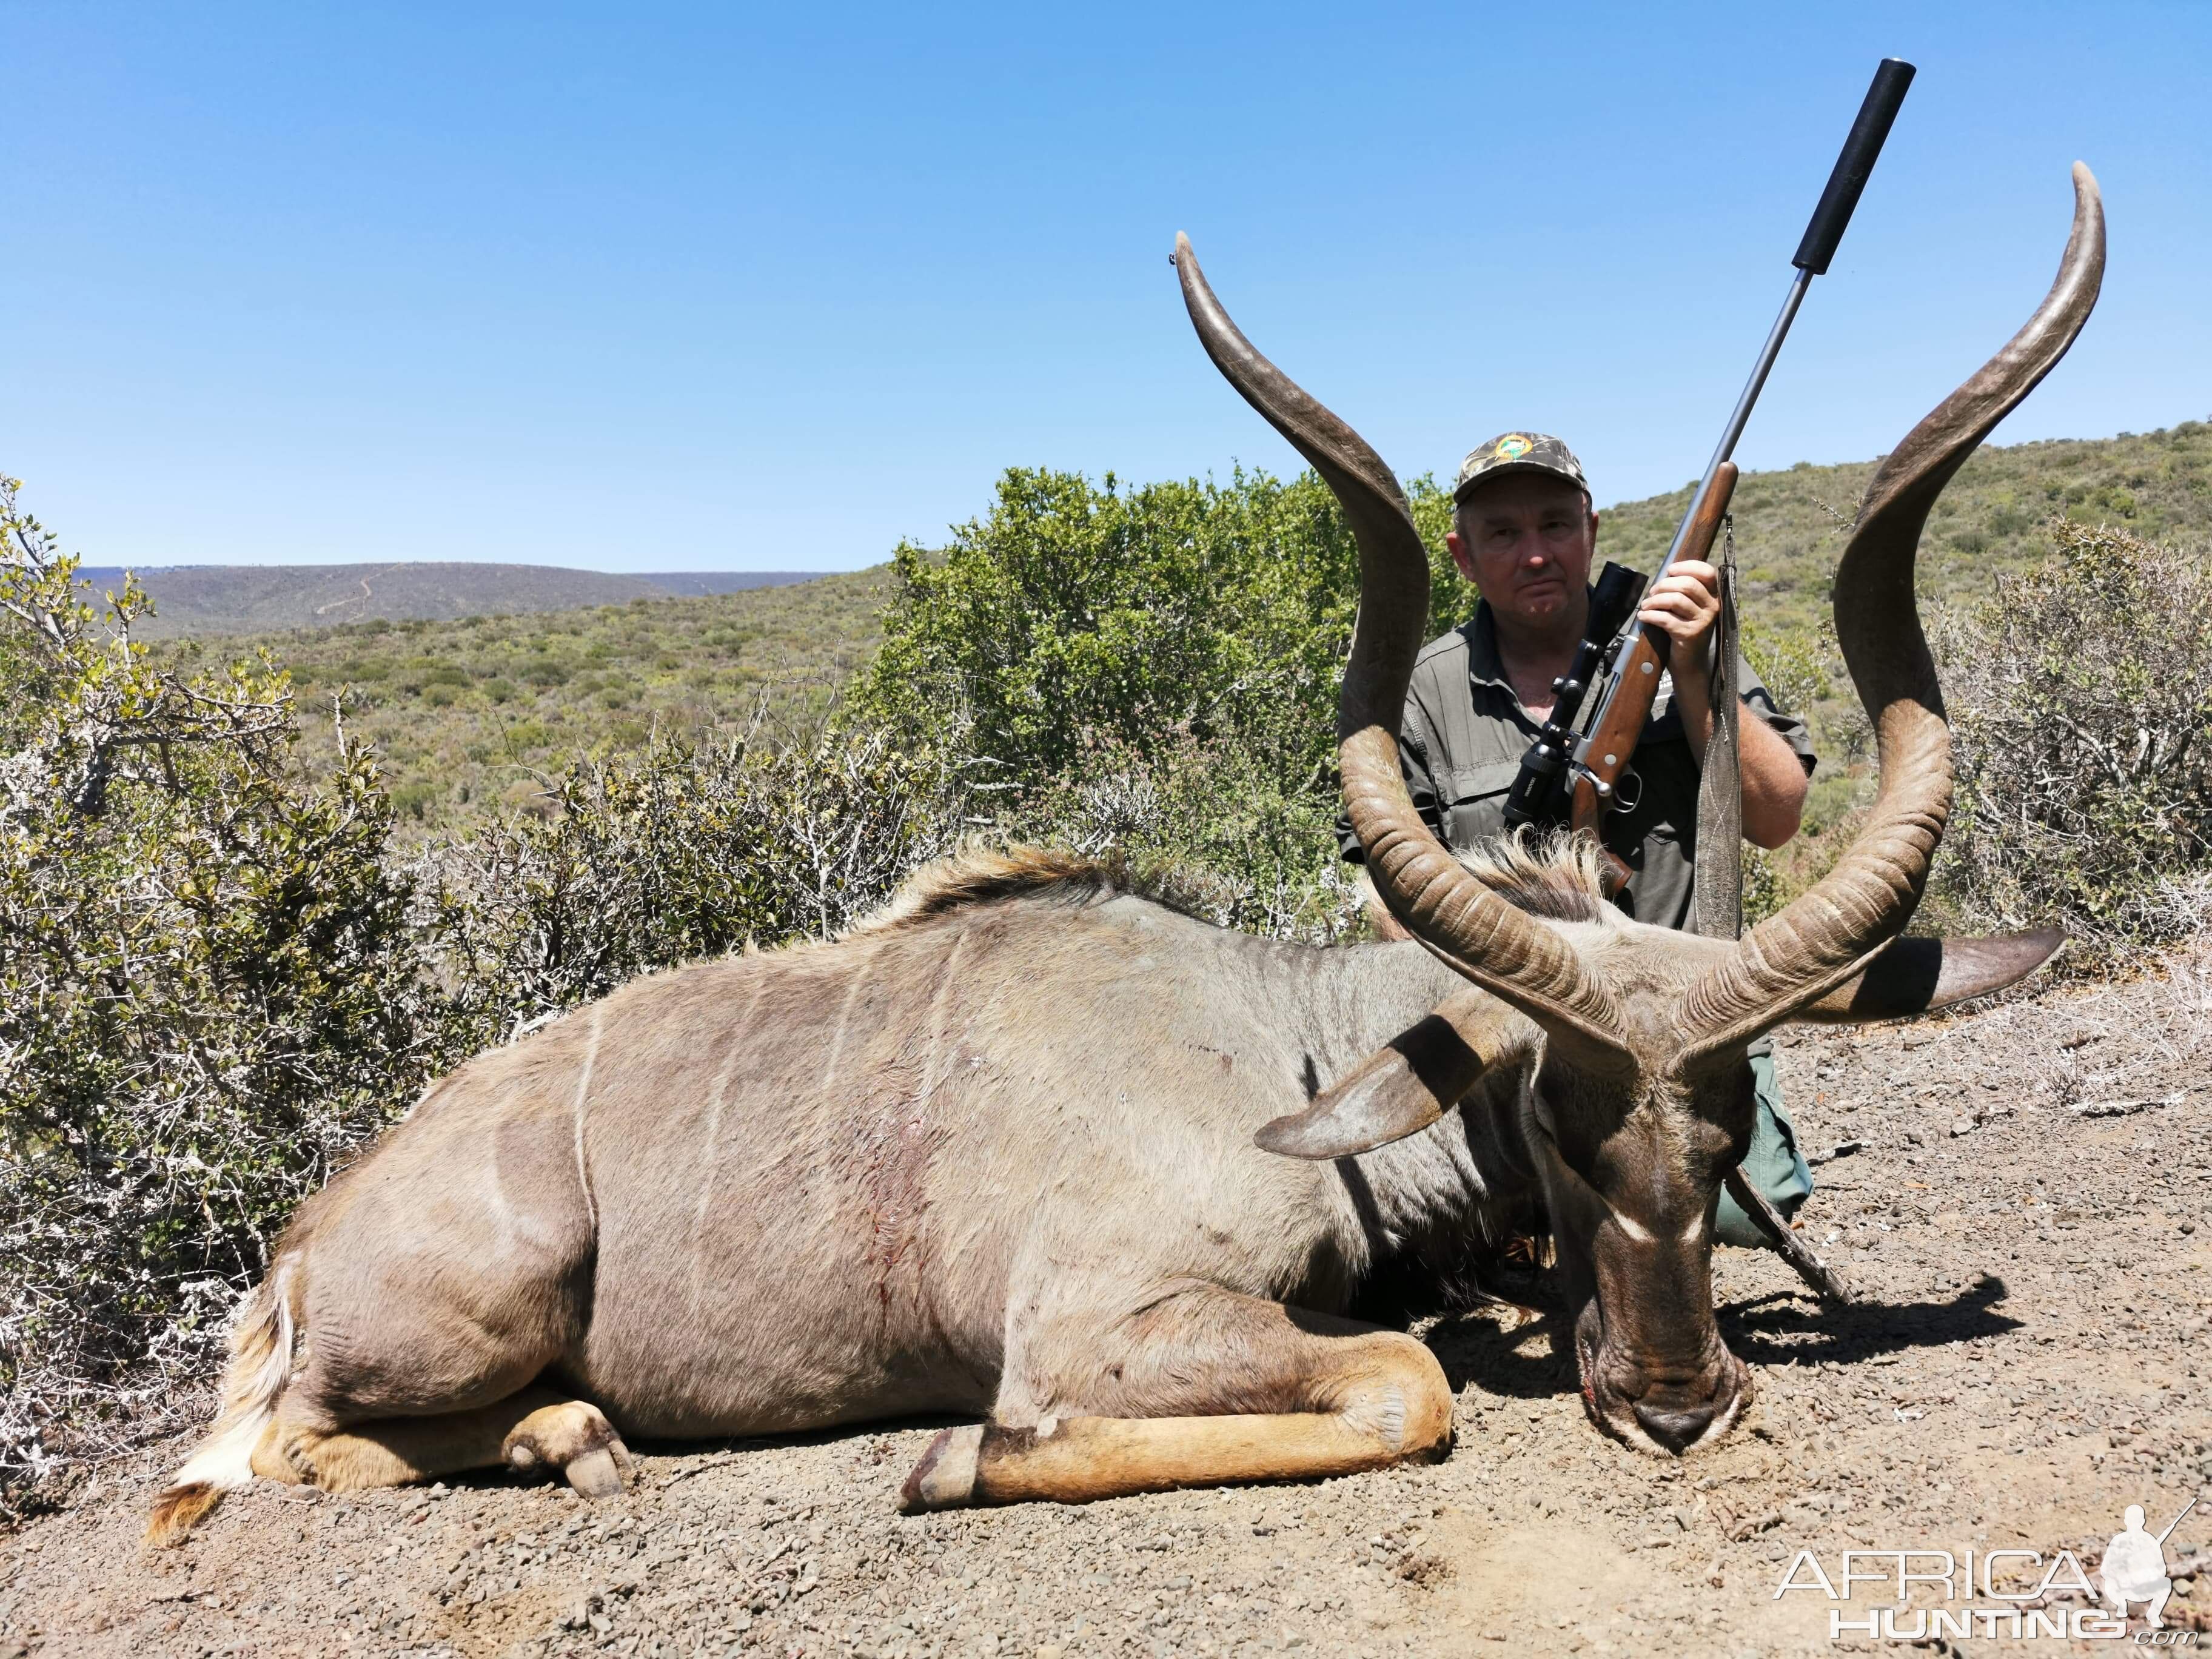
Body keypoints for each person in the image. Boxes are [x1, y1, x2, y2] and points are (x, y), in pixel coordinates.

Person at [1338, 431, 1815, 1247]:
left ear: (1591, 531)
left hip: (1682, 1019)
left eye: (1556, 525)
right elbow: (1385, 887)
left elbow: (1777, 817)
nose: (1536, 554)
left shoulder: (1676, 639)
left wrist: (1697, 675)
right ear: (1462, 554)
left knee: (1737, 1214)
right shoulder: (1424, 691)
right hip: (1513, 1033)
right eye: (1504, 533)